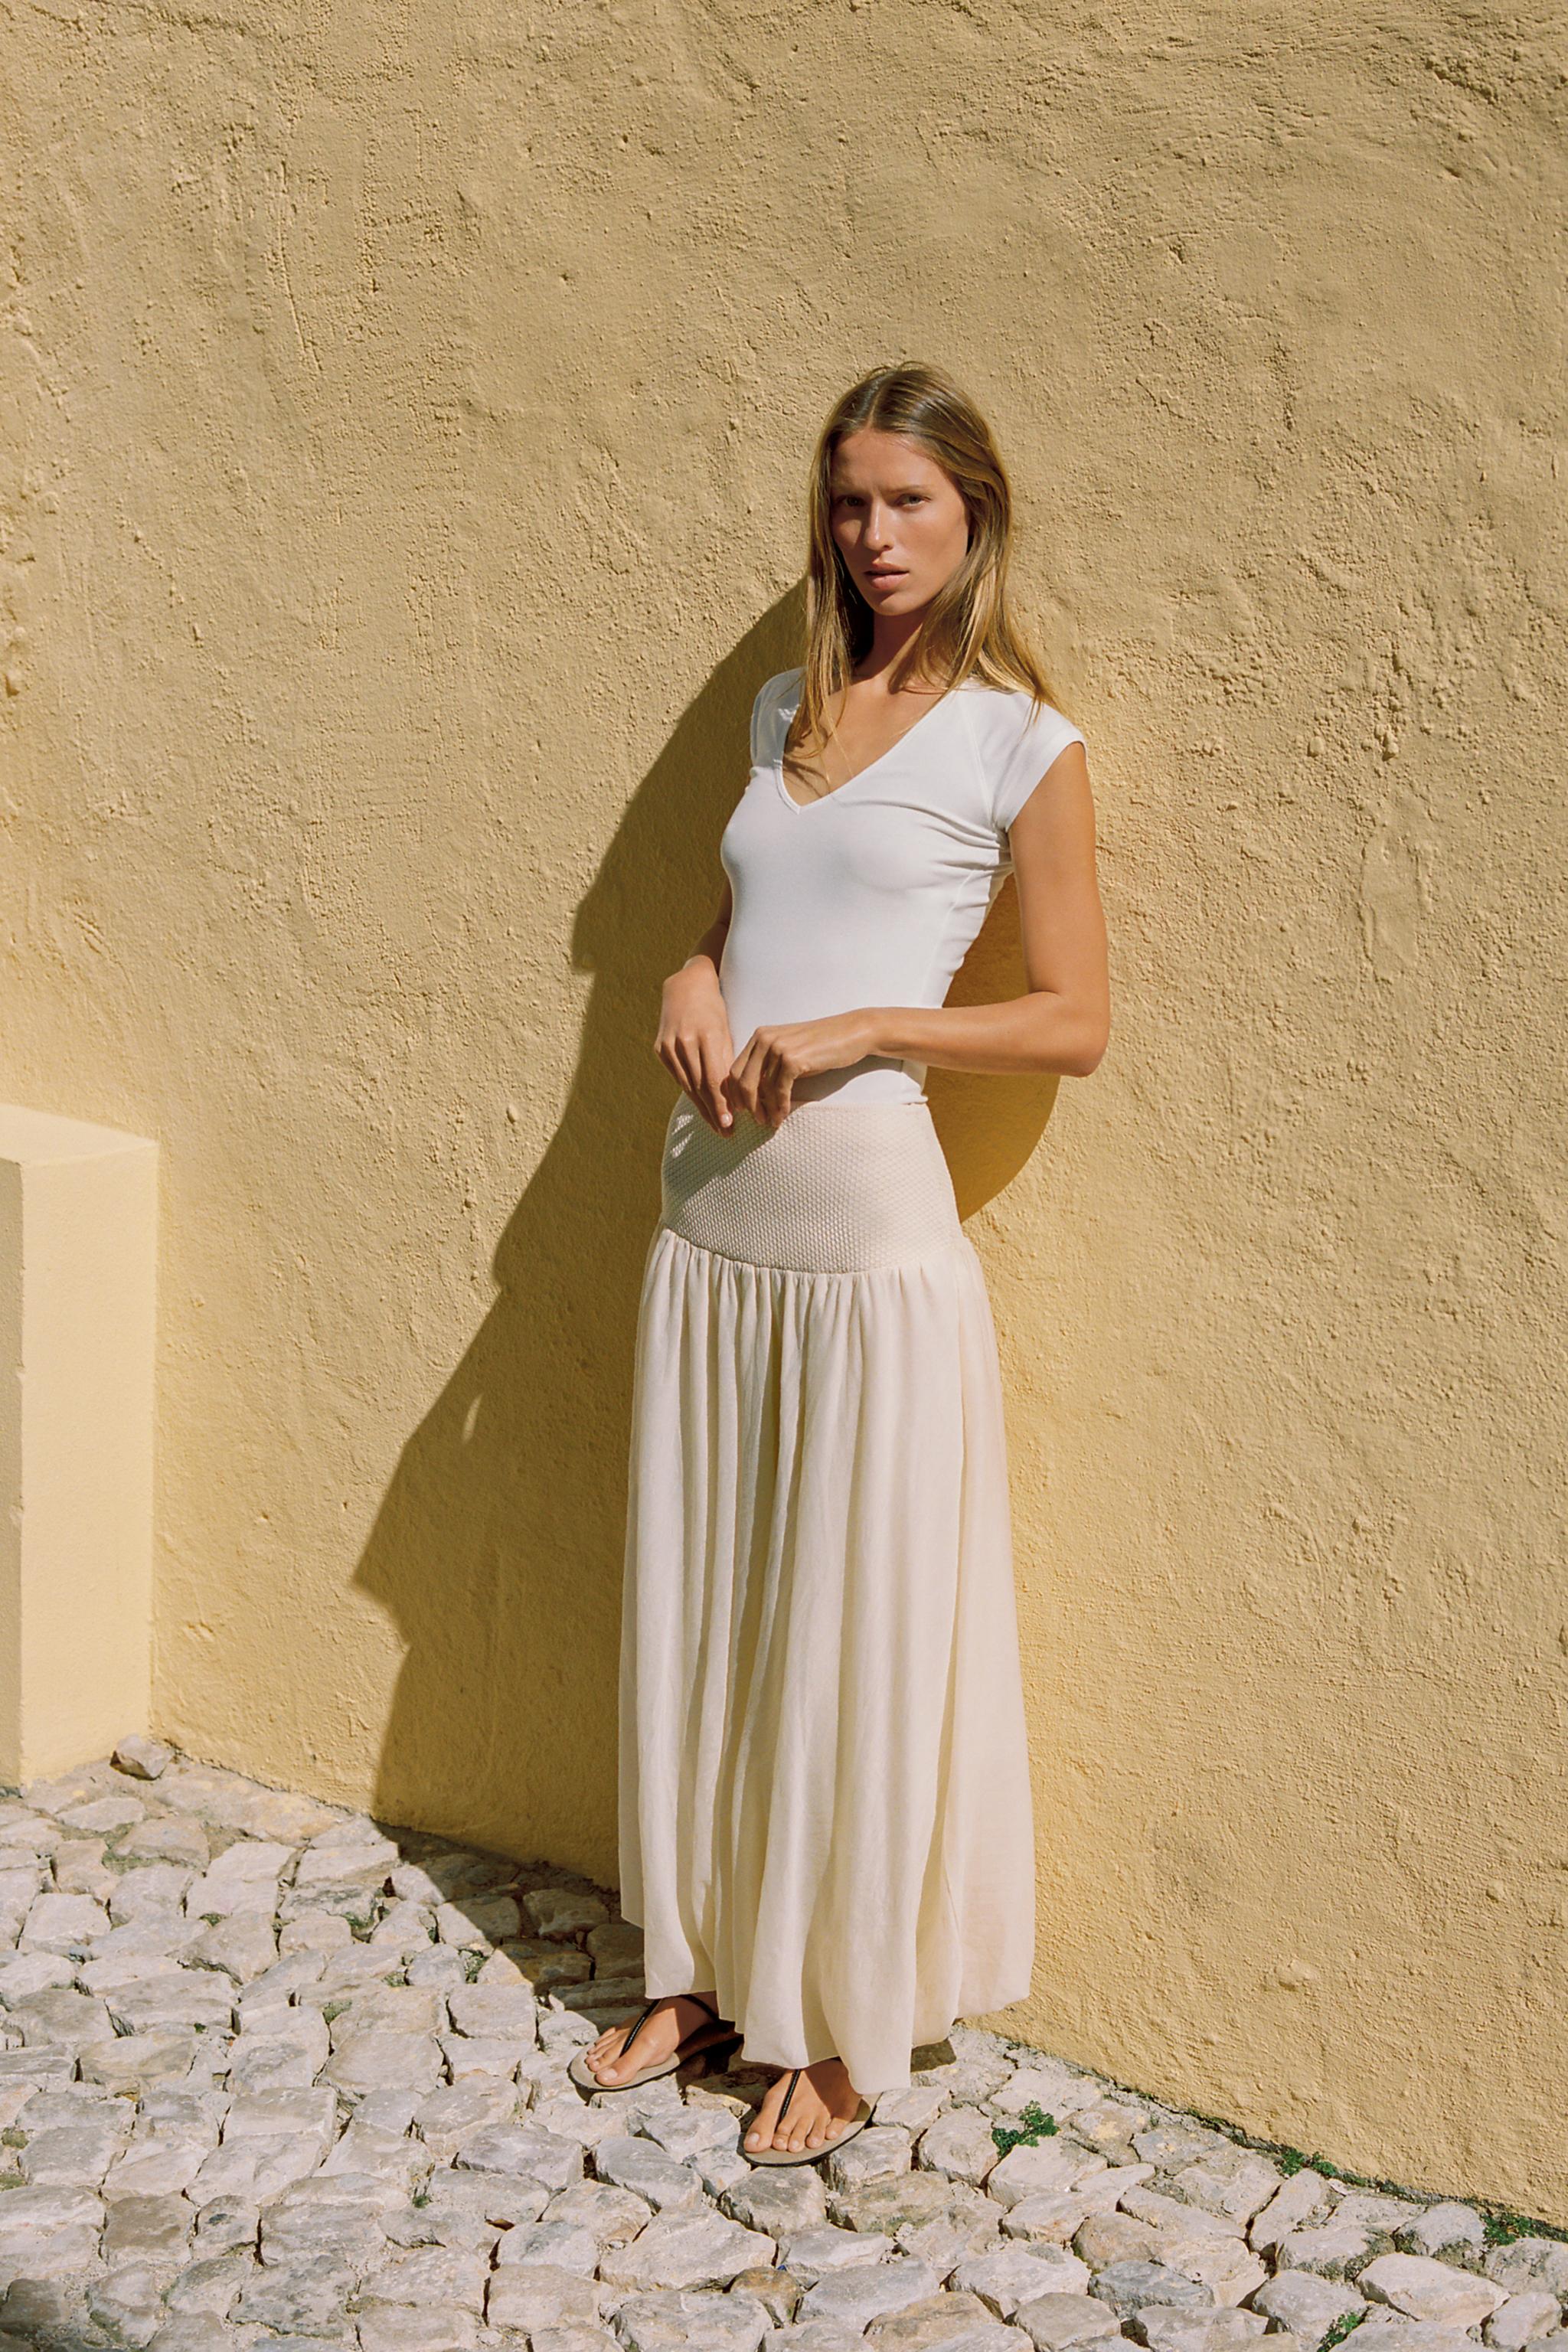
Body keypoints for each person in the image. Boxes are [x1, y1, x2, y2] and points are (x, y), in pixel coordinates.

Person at [570, 360, 1110, 2165]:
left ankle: (842, 2015)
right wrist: (688, 971)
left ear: (975, 517)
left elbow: (1074, 1020)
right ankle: (703, 1965)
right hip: (710, 1224)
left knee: (849, 1631)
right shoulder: (782, 710)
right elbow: (745, 918)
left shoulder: (1021, 745)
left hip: (867, 1249)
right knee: (715, 1611)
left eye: (909, 503)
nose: (874, 535)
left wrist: (877, 1026)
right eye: (851, 501)